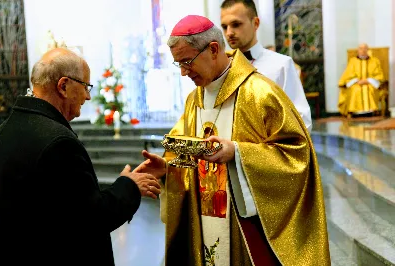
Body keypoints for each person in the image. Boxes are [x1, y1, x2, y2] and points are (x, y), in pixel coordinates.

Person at [153, 14, 330, 266]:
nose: (183, 72)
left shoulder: (260, 93)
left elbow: (298, 155)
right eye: (177, 64)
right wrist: (167, 169)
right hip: (205, 219)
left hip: (246, 228)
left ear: (213, 49)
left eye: (187, 62)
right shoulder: (195, 100)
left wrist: (237, 153)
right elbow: (183, 150)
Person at [0, 48, 166, 266]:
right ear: (64, 86)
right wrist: (129, 185)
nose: (87, 96)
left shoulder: (8, 128)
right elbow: (91, 219)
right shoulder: (58, 141)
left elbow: (64, 205)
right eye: (85, 86)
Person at [220, 0, 312, 132]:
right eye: (224, 27)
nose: (229, 32)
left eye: (236, 24)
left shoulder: (281, 65)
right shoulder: (222, 68)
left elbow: (302, 119)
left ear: (255, 23)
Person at [338, 43, 385, 117]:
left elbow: (379, 75)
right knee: (355, 90)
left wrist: (368, 80)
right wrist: (356, 81)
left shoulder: (374, 61)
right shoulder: (353, 61)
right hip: (356, 83)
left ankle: (371, 111)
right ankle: (354, 112)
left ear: (368, 50)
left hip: (370, 83)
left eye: (365, 48)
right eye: (361, 48)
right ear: (358, 50)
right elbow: (347, 75)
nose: (363, 50)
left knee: (369, 89)